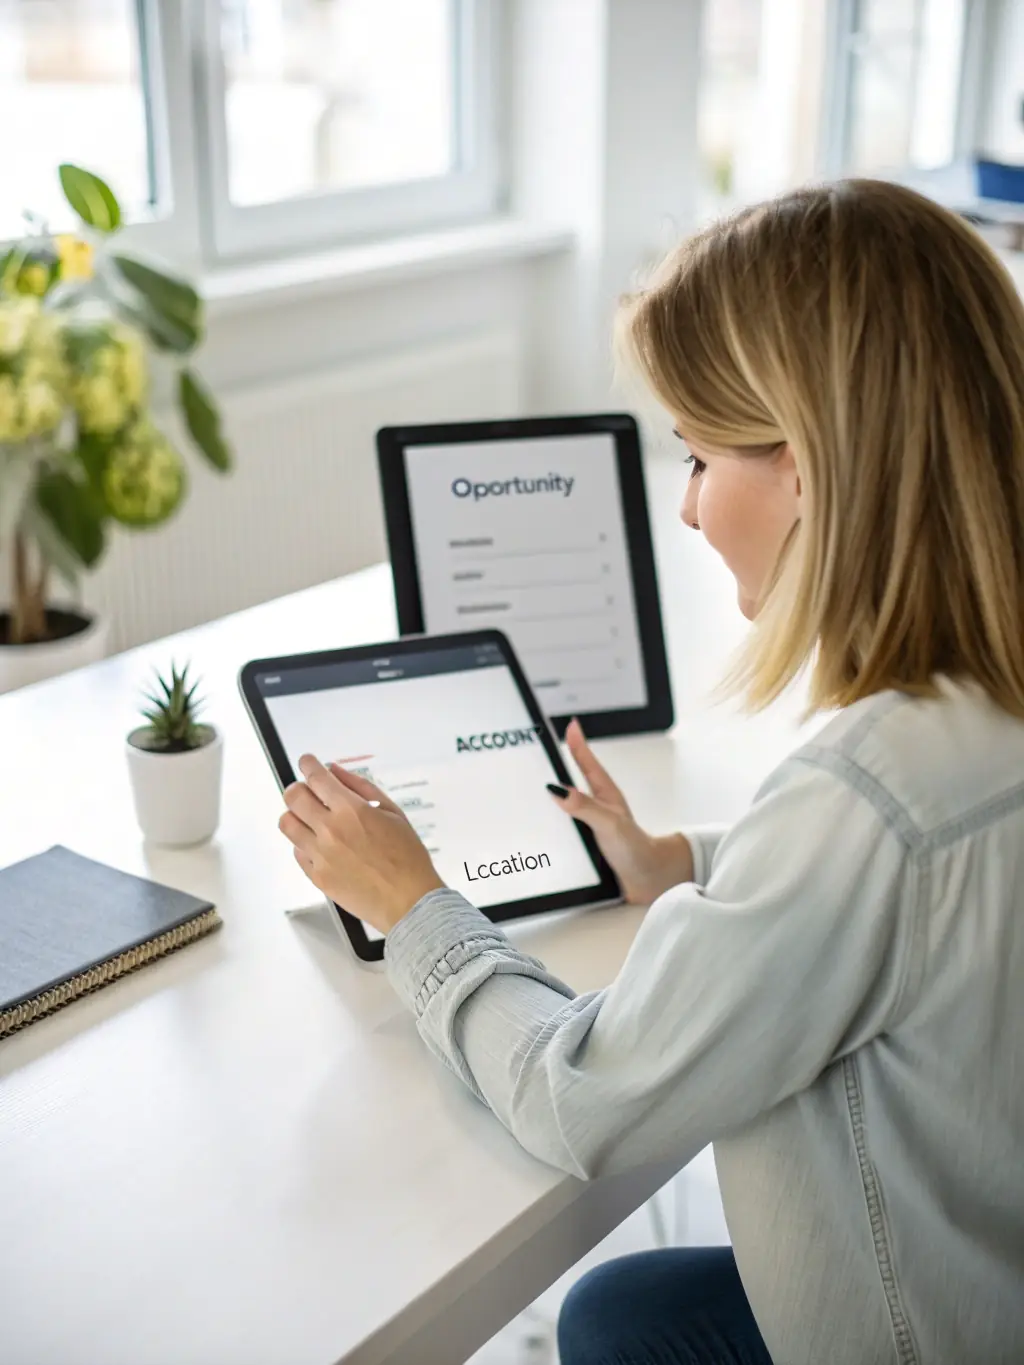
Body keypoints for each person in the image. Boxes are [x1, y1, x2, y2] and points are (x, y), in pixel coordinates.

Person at [276, 180, 1024, 1365]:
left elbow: (581, 1098)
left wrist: (413, 909)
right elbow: (920, 898)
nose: (683, 508)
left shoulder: (863, 793)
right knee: (617, 1312)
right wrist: (686, 865)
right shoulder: (980, 715)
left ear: (809, 469)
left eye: (695, 457)